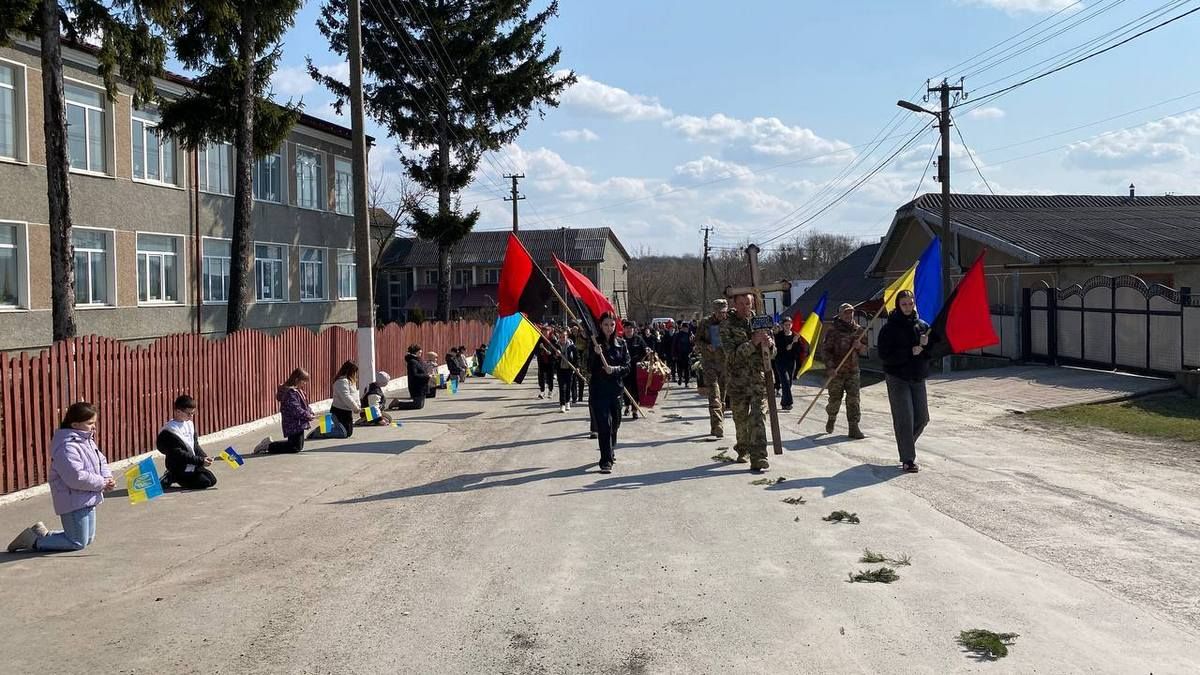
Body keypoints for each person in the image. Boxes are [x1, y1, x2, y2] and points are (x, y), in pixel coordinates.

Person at [7, 402, 114, 553]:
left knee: (88, 538)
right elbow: (75, 477)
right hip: (72, 500)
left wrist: (107, 478)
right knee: (77, 542)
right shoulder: (66, 446)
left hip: (88, 495)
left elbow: (100, 460)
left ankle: (41, 533)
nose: (94, 427)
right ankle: (33, 541)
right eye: (90, 423)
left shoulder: (87, 440)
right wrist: (101, 483)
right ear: (75, 424)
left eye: (94, 422)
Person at [877, 290, 931, 473]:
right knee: (904, 418)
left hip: (917, 376)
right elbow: (884, 356)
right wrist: (909, 351)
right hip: (897, 377)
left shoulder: (923, 325)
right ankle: (908, 458)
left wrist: (927, 344)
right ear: (898, 306)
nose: (908, 307)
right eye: (904, 304)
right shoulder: (889, 328)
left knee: (922, 418)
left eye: (910, 303)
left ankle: (905, 443)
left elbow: (933, 352)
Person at [721, 293, 775, 471]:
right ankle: (742, 448)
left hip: (758, 380)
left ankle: (759, 456)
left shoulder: (761, 321)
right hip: (738, 381)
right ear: (734, 304)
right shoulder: (727, 325)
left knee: (758, 417)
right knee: (741, 419)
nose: (746, 307)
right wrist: (752, 343)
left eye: (748, 303)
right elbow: (732, 356)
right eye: (742, 303)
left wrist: (769, 344)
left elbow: (773, 353)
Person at [589, 312, 631, 473]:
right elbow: (589, 367)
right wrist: (595, 354)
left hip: (616, 390)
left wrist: (613, 369)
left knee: (615, 423)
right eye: (606, 324)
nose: (609, 328)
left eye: (611, 325)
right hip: (599, 391)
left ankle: (611, 448)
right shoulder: (595, 344)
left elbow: (627, 367)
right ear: (601, 325)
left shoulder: (621, 344)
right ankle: (605, 460)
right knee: (604, 425)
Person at [821, 303, 869, 440]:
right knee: (835, 400)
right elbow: (825, 351)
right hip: (836, 371)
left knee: (854, 399)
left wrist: (860, 346)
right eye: (846, 313)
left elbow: (865, 349)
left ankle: (853, 427)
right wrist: (830, 367)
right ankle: (831, 417)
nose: (849, 315)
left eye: (851, 312)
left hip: (853, 371)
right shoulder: (833, 330)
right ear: (840, 314)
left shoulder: (858, 330)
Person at [157, 394, 217, 490]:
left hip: (191, 463)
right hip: (179, 466)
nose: (191, 416)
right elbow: (179, 453)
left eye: (193, 413)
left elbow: (195, 445)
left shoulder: (189, 424)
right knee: (204, 483)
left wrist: (204, 457)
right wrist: (200, 461)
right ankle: (171, 476)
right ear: (178, 411)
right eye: (188, 414)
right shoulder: (169, 430)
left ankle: (179, 477)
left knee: (212, 480)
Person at [254, 368, 315, 454]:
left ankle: (269, 444)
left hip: (299, 422)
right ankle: (269, 445)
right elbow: (296, 409)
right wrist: (307, 416)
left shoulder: (298, 391)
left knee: (297, 446)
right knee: (294, 447)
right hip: (293, 423)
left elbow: (305, 404)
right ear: (297, 380)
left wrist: (310, 411)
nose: (304, 384)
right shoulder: (290, 393)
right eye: (303, 382)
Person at [697, 299, 729, 438]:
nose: (722, 315)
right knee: (714, 395)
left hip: (725, 364)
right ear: (714, 311)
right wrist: (706, 346)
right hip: (709, 363)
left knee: (722, 397)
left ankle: (718, 423)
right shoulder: (705, 323)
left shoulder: (729, 322)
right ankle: (717, 427)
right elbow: (697, 340)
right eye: (719, 312)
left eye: (724, 312)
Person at [773, 317, 804, 411]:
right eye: (786, 325)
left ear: (792, 325)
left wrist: (796, 344)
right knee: (785, 381)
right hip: (780, 361)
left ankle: (784, 403)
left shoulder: (795, 335)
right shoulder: (779, 336)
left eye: (789, 324)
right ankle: (789, 403)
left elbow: (800, 350)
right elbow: (776, 348)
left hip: (791, 362)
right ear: (783, 325)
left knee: (789, 383)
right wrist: (788, 347)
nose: (788, 326)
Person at [390, 345, 432, 410]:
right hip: (416, 386)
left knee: (420, 405)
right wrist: (427, 376)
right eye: (420, 352)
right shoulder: (412, 362)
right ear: (415, 352)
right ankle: (397, 403)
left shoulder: (418, 360)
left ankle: (398, 403)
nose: (421, 354)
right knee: (417, 405)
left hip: (421, 385)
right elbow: (414, 375)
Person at [622, 320, 648, 419]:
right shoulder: (621, 340)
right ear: (624, 329)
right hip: (624, 368)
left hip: (636, 369)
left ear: (634, 329)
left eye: (630, 328)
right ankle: (627, 405)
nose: (628, 330)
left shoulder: (639, 339)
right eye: (626, 328)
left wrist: (647, 350)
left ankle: (634, 410)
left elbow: (645, 348)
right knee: (625, 389)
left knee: (636, 390)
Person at [329, 360, 359, 438]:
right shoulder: (341, 382)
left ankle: (330, 428)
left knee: (348, 433)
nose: (356, 374)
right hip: (339, 411)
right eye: (354, 372)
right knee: (344, 433)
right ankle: (323, 431)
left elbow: (354, 395)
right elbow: (346, 397)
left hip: (347, 411)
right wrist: (355, 407)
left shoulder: (351, 381)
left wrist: (358, 406)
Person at [555, 330, 579, 413]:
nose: (562, 339)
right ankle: (562, 405)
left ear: (567, 337)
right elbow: (552, 358)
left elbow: (576, 357)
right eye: (560, 337)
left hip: (569, 369)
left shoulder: (572, 346)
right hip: (560, 370)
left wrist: (577, 367)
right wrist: (556, 355)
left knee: (569, 387)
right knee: (562, 388)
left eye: (564, 337)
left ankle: (567, 402)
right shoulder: (556, 346)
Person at [570, 325, 588, 405]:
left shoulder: (583, 336)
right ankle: (574, 397)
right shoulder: (570, 337)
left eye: (576, 330)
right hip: (573, 359)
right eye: (573, 331)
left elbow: (586, 343)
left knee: (581, 379)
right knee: (573, 379)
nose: (574, 332)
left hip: (582, 359)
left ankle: (580, 396)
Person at [535, 331, 555, 399]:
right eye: (543, 332)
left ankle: (550, 391)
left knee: (550, 377)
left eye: (546, 332)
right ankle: (542, 391)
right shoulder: (539, 340)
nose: (545, 333)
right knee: (541, 377)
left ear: (549, 332)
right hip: (542, 361)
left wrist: (551, 353)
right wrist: (540, 349)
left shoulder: (553, 339)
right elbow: (535, 350)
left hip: (550, 362)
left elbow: (556, 349)